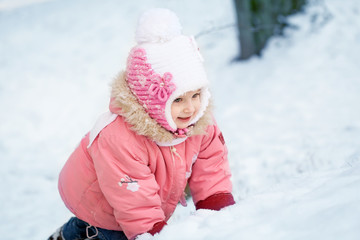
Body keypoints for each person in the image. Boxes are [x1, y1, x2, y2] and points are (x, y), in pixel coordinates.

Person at [48, 8, 235, 240]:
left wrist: (218, 208)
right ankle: (72, 235)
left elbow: (212, 167)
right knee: (104, 230)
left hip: (135, 197)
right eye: (178, 99)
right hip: (100, 202)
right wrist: (151, 232)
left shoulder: (199, 122)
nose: (191, 108)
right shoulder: (119, 138)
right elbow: (135, 202)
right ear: (152, 100)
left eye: (196, 95)